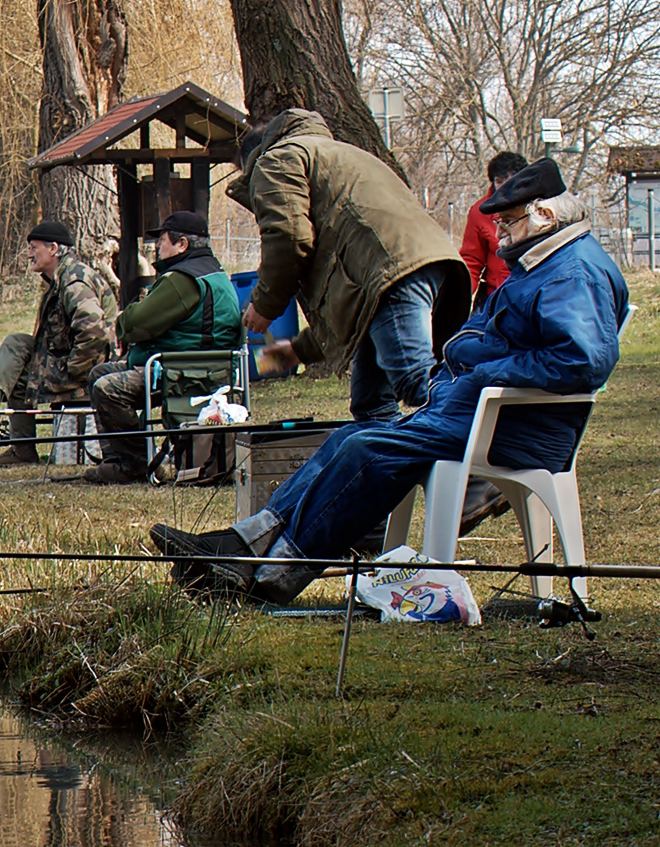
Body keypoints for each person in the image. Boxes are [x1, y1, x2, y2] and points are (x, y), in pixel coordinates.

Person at [150, 159, 628, 605]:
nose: (499, 235)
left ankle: (276, 574)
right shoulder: (545, 263)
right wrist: (466, 360)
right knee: (353, 435)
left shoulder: (573, 272)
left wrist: (483, 372)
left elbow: (582, 361)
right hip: (476, 413)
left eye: (508, 223)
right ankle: (242, 545)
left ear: (543, 216)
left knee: (369, 450)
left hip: (516, 426)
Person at [233, 110, 471, 423]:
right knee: (371, 404)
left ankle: (498, 424)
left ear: (252, 159)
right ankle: (393, 467)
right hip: (424, 263)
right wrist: (298, 351)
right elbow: (348, 304)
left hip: (390, 272)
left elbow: (289, 239)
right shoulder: (341, 154)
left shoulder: (276, 160)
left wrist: (264, 304)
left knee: (416, 383)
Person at [82, 210, 244, 484]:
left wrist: (121, 322)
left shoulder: (183, 279)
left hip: (181, 372)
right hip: (200, 366)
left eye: (163, 241)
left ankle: (136, 464)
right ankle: (116, 459)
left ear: (182, 244)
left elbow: (137, 321)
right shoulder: (213, 272)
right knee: (99, 372)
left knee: (106, 388)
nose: (157, 247)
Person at [0, 220, 117, 466]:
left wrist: (75, 369)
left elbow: (94, 333)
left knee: (18, 352)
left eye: (33, 248)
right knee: (18, 349)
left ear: (54, 248)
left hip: (88, 372)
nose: (29, 255)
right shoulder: (61, 279)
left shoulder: (74, 283)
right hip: (72, 363)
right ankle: (9, 430)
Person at [461, 151, 528, 311]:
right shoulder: (480, 211)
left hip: (529, 294)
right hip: (496, 297)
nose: (505, 187)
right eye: (499, 181)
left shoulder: (537, 208)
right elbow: (471, 260)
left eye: (510, 180)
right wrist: (458, 298)